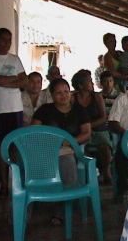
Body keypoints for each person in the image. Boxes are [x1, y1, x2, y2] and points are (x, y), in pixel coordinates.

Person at [31, 78, 91, 224]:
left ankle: (62, 210)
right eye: (58, 92)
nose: (63, 95)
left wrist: (69, 141)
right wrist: (50, 142)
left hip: (70, 149)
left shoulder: (79, 111)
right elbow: (33, 131)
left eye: (66, 91)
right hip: (45, 149)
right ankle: (24, 211)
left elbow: (86, 133)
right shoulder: (44, 110)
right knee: (24, 165)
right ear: (51, 94)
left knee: (68, 162)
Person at [0, 28, 27, 197]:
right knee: (1, 147)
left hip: (15, 109)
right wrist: (15, 81)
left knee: (15, 147)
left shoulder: (15, 59)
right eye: (3, 39)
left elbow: (24, 80)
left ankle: (16, 181)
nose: (7, 43)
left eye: (9, 40)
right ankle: (4, 184)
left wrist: (4, 82)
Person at [71, 69, 112, 184]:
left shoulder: (96, 97)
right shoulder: (73, 98)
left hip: (98, 128)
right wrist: (85, 129)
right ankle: (86, 174)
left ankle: (107, 172)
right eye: (89, 81)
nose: (92, 84)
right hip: (81, 130)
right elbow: (71, 117)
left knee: (104, 145)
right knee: (82, 148)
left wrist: (90, 127)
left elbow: (103, 117)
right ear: (80, 85)